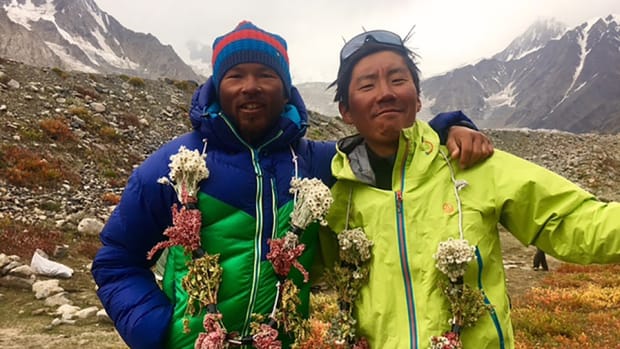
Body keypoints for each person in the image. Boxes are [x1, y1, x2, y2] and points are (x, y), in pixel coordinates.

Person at [91, 21, 493, 349]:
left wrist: (446, 128)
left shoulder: (317, 161)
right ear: (217, 86)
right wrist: (154, 329)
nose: (251, 86)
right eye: (235, 76)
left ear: (285, 89)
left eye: (266, 75)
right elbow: (116, 260)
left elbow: (386, 147)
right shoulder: (171, 166)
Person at [325, 29, 620, 349]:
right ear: (346, 111)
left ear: (418, 96)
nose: (386, 93)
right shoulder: (337, 194)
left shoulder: (470, 163)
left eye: (398, 80)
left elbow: (571, 220)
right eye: (367, 85)